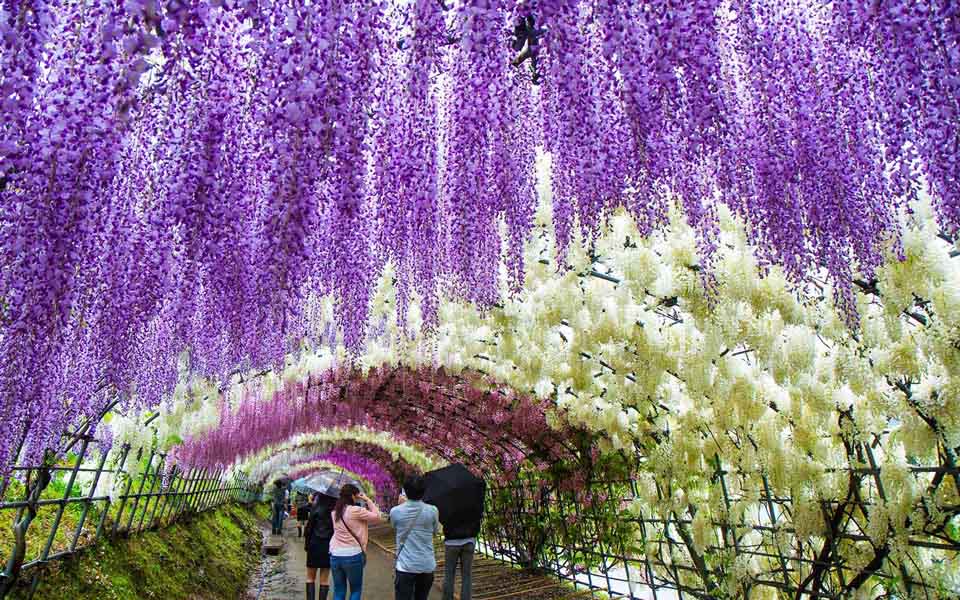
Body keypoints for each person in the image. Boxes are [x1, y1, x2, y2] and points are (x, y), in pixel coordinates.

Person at [389, 474, 440, 600]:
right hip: (426, 565)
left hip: (405, 567)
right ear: (424, 491)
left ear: (405, 491)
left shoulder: (395, 511)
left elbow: (395, 527)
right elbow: (435, 532)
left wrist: (401, 505)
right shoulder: (433, 510)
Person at [329, 484, 381, 600]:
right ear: (352, 496)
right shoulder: (355, 510)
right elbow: (377, 517)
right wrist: (367, 499)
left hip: (335, 554)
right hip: (352, 555)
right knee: (355, 590)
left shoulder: (334, 512)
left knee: (339, 591)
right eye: (356, 496)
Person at [305, 493, 337, 600]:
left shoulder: (316, 508)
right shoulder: (335, 511)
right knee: (324, 580)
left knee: (310, 578)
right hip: (328, 546)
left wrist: (307, 545)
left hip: (314, 544)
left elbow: (309, 528)